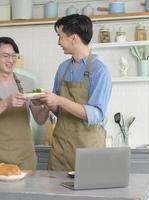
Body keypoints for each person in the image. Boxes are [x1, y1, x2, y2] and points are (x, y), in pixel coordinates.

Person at [34, 14, 112, 171]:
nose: (58, 42)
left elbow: (96, 114)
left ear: (74, 38)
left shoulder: (99, 70)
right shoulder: (63, 68)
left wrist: (60, 100)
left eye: (60, 36)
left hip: (88, 149)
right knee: (54, 193)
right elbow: (60, 110)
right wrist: (48, 102)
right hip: (61, 148)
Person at [0, 37, 48, 170]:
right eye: (6, 56)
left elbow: (40, 119)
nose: (11, 60)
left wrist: (47, 105)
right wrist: (6, 102)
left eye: (14, 56)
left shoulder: (29, 83)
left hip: (24, 158)